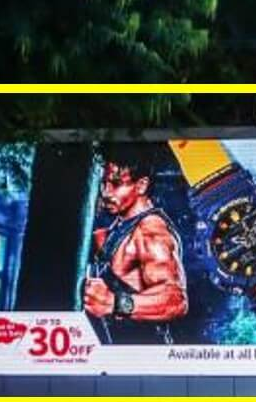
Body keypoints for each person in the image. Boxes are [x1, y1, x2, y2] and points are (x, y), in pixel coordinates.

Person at [81, 144, 189, 345]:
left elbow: (176, 300)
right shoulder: (120, 228)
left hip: (146, 358)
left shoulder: (150, 231)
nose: (106, 192)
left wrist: (115, 303)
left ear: (141, 186)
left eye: (115, 183)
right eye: (104, 183)